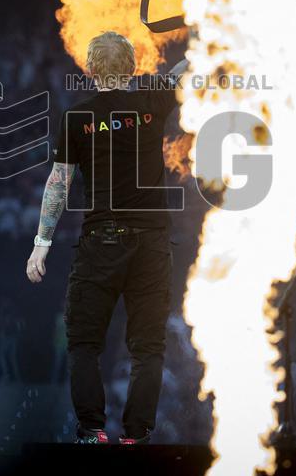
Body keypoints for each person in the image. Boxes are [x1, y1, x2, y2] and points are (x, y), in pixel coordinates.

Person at [25, 31, 187, 445]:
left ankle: (92, 431)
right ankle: (136, 436)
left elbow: (59, 183)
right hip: (153, 243)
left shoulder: (78, 118)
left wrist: (42, 242)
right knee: (148, 347)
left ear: (91, 68)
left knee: (83, 342)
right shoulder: (152, 102)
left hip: (103, 241)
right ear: (132, 68)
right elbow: (185, 72)